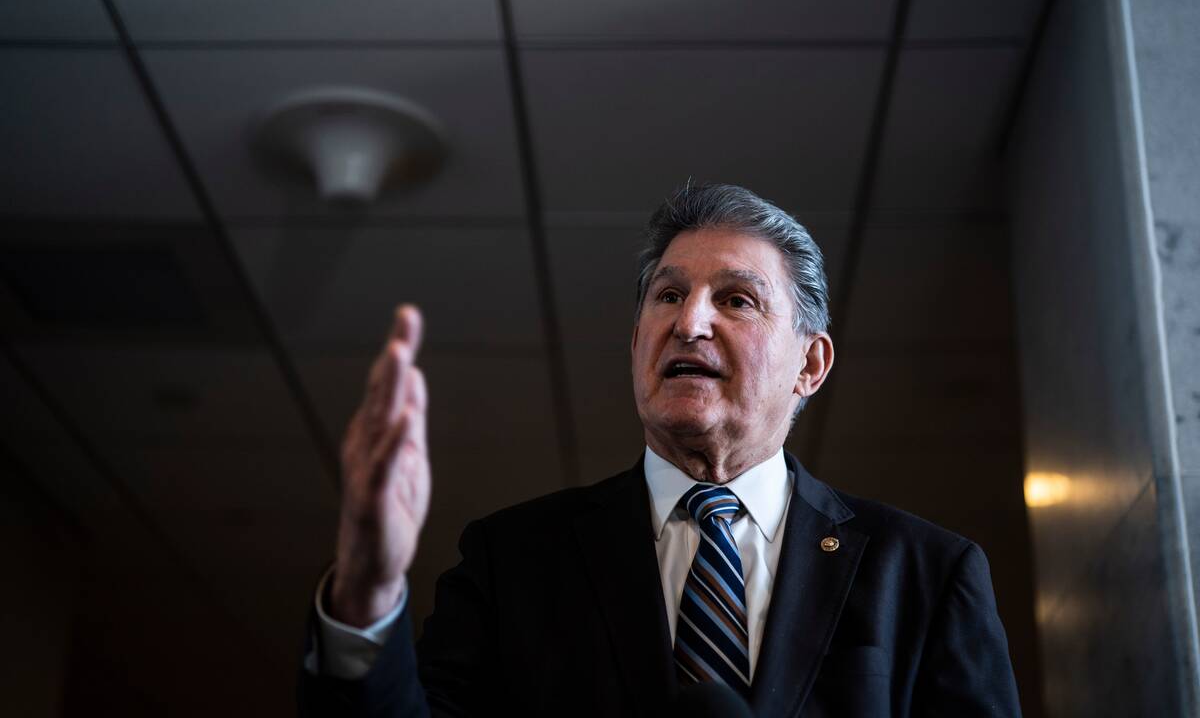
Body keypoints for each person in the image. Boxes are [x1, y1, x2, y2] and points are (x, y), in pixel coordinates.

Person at [298, 183, 1022, 717]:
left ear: (810, 363)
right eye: (668, 296)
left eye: (736, 300)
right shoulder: (511, 559)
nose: (689, 323)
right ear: (637, 341)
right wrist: (367, 589)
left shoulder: (926, 573)